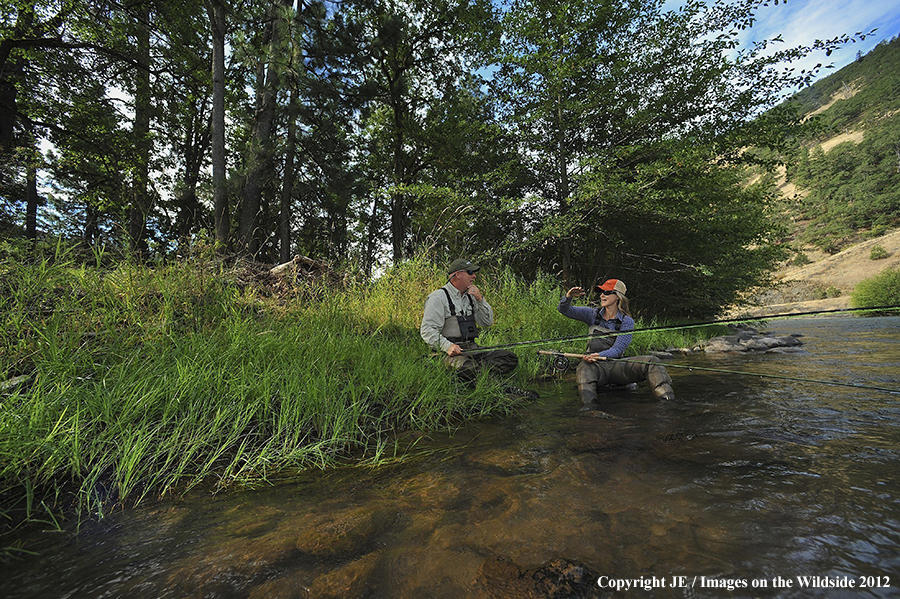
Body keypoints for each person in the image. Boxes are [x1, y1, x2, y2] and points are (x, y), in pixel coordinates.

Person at [557, 278, 674, 412]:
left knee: (653, 361)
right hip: (595, 367)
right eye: (601, 292)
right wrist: (568, 297)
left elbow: (618, 349)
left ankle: (668, 404)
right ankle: (590, 409)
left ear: (618, 297)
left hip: (617, 367)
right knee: (583, 367)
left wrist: (599, 355)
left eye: (607, 292)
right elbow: (564, 310)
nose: (602, 295)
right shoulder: (592, 314)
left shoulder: (627, 321)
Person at [420, 258, 519, 380]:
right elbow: (427, 330)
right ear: (457, 275)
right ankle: (484, 378)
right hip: (448, 353)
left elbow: (487, 322)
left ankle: (476, 375)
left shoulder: (471, 296)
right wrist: (447, 346)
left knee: (509, 358)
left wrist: (480, 299)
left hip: (472, 349)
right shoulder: (437, 298)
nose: (475, 276)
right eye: (470, 273)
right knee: (466, 366)